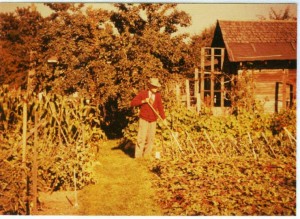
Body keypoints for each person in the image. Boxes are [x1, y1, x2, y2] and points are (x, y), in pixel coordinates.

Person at [130, 78, 166, 158]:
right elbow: (132, 103)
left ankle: (146, 156)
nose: (155, 88)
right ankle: (138, 156)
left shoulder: (158, 95)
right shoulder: (143, 94)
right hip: (144, 118)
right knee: (141, 138)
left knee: (151, 139)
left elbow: (160, 107)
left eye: (156, 87)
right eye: (154, 86)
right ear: (149, 86)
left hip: (153, 119)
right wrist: (143, 101)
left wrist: (164, 118)